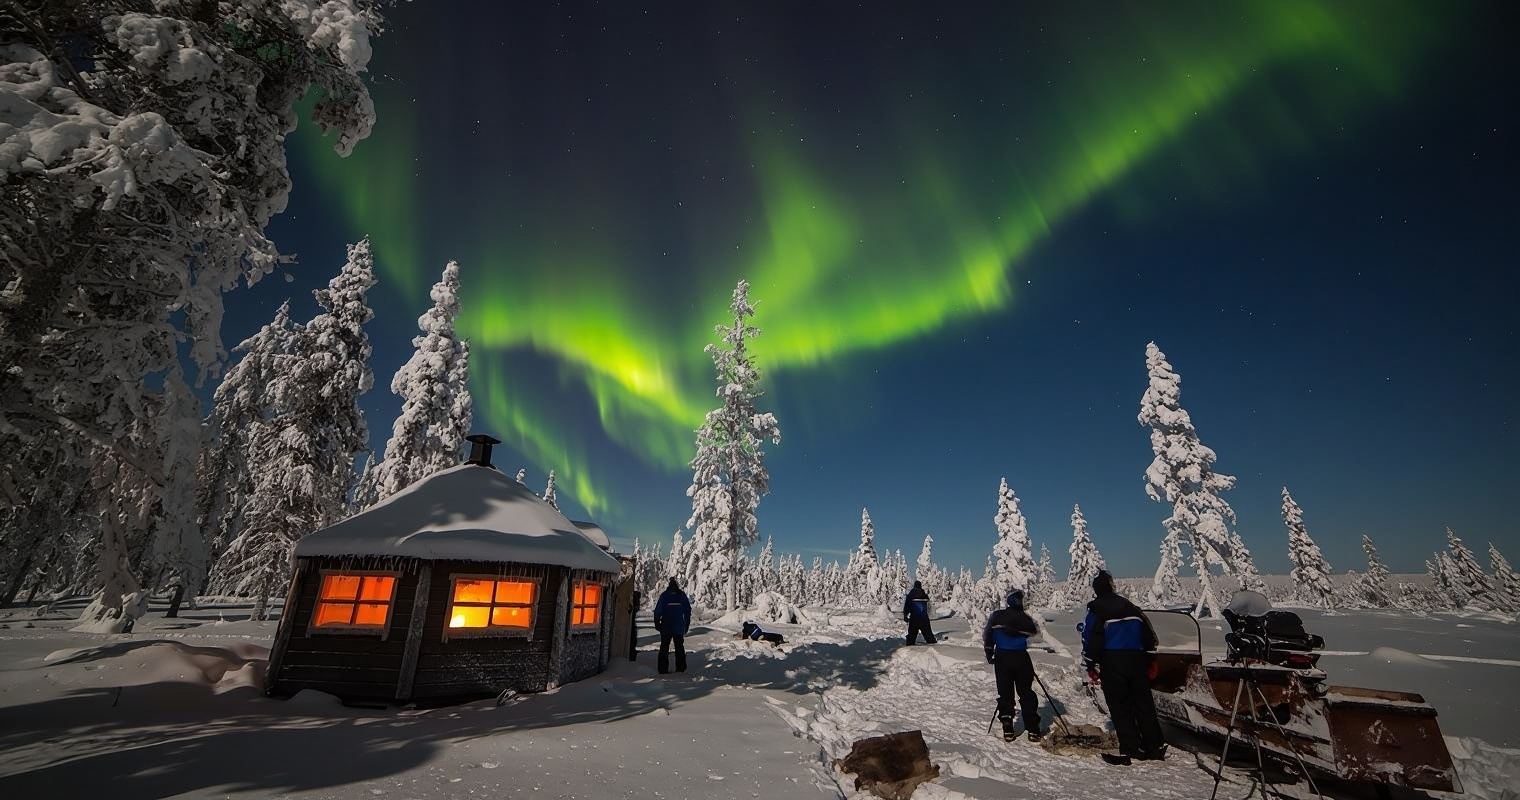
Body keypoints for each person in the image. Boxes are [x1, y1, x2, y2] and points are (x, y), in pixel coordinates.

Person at [1082, 570, 1166, 765]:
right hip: (1137, 660)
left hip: (1112, 661)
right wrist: (1151, 659)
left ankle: (1131, 747)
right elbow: (1149, 635)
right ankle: (1154, 746)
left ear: (1096, 590)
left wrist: (1090, 664)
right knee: (1143, 704)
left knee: (1120, 706)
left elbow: (1091, 638)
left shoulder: (1096, 610)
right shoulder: (1131, 607)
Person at [983, 589, 1042, 742]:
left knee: (1005, 693)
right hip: (1021, 658)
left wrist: (989, 652)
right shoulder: (1025, 619)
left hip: (1002, 658)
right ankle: (1033, 729)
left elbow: (988, 635)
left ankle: (1007, 726)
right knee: (1026, 693)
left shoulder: (997, 616)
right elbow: (1035, 635)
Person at [653, 578, 691, 674]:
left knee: (664, 647)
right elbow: (687, 611)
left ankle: (662, 669)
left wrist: (657, 622)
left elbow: (658, 611)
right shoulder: (681, 595)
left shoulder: (664, 596)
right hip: (678, 626)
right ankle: (681, 668)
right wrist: (686, 624)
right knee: (679, 647)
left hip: (666, 626)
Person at [902, 580, 937, 645]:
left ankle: (909, 648)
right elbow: (929, 606)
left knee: (911, 636)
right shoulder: (924, 595)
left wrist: (905, 615)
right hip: (924, 618)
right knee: (928, 635)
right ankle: (935, 646)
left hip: (914, 618)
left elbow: (907, 606)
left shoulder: (911, 595)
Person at [628, 590, 642, 661]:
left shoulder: (634, 601)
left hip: (633, 622)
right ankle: (632, 654)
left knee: (633, 637)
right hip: (633, 623)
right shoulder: (636, 601)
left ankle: (632, 653)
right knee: (633, 638)